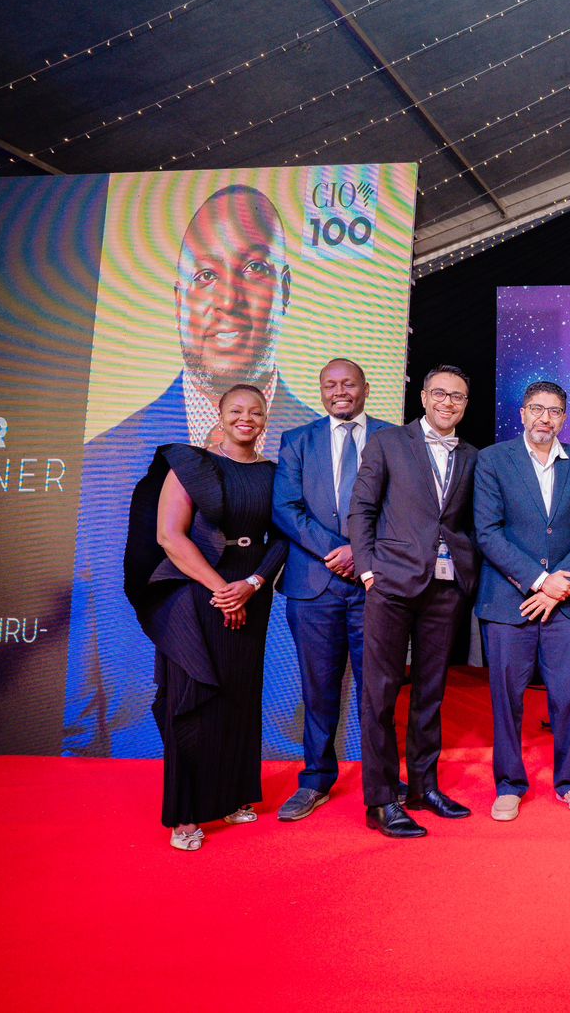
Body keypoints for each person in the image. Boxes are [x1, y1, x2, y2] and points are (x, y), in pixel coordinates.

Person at [66, 184, 316, 758]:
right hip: (143, 751)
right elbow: (84, 667)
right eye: (204, 277)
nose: (226, 298)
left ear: (283, 290)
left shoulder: (315, 452)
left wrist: (250, 584)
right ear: (179, 299)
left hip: (279, 752)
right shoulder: (102, 458)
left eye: (253, 267)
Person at [123, 384, 287, 851]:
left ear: (264, 419)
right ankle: (186, 814)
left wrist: (252, 586)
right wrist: (222, 591)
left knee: (239, 698)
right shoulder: (190, 463)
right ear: (219, 414)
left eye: (256, 412)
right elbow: (170, 537)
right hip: (196, 596)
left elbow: (282, 537)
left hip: (250, 593)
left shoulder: (274, 473)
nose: (246, 419)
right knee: (192, 701)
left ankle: (234, 797)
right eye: (237, 410)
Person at [348, 365, 479, 839]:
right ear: (423, 397)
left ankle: (424, 787)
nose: (448, 402)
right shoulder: (387, 443)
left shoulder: (470, 455)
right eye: (440, 393)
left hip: (445, 588)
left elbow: (463, 522)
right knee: (380, 695)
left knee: (431, 694)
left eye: (458, 396)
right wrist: (367, 569)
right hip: (390, 585)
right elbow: (361, 509)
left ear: (466, 404)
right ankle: (382, 800)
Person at [271, 358, 393, 821]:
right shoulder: (296, 441)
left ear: (365, 387)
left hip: (374, 587)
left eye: (348, 383)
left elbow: (403, 510)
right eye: (330, 384)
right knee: (317, 688)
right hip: (314, 586)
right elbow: (285, 508)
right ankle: (316, 779)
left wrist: (361, 555)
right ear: (321, 391)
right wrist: (337, 550)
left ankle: (380, 780)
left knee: (376, 690)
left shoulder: (394, 438)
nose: (338, 391)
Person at [474, 381, 570, 821]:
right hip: (509, 601)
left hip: (566, 601)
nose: (545, 418)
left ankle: (569, 781)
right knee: (506, 698)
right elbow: (487, 531)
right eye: (537, 409)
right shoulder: (493, 460)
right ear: (522, 414)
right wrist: (539, 581)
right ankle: (509, 783)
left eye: (555, 411)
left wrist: (558, 585)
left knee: (567, 696)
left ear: (564, 418)